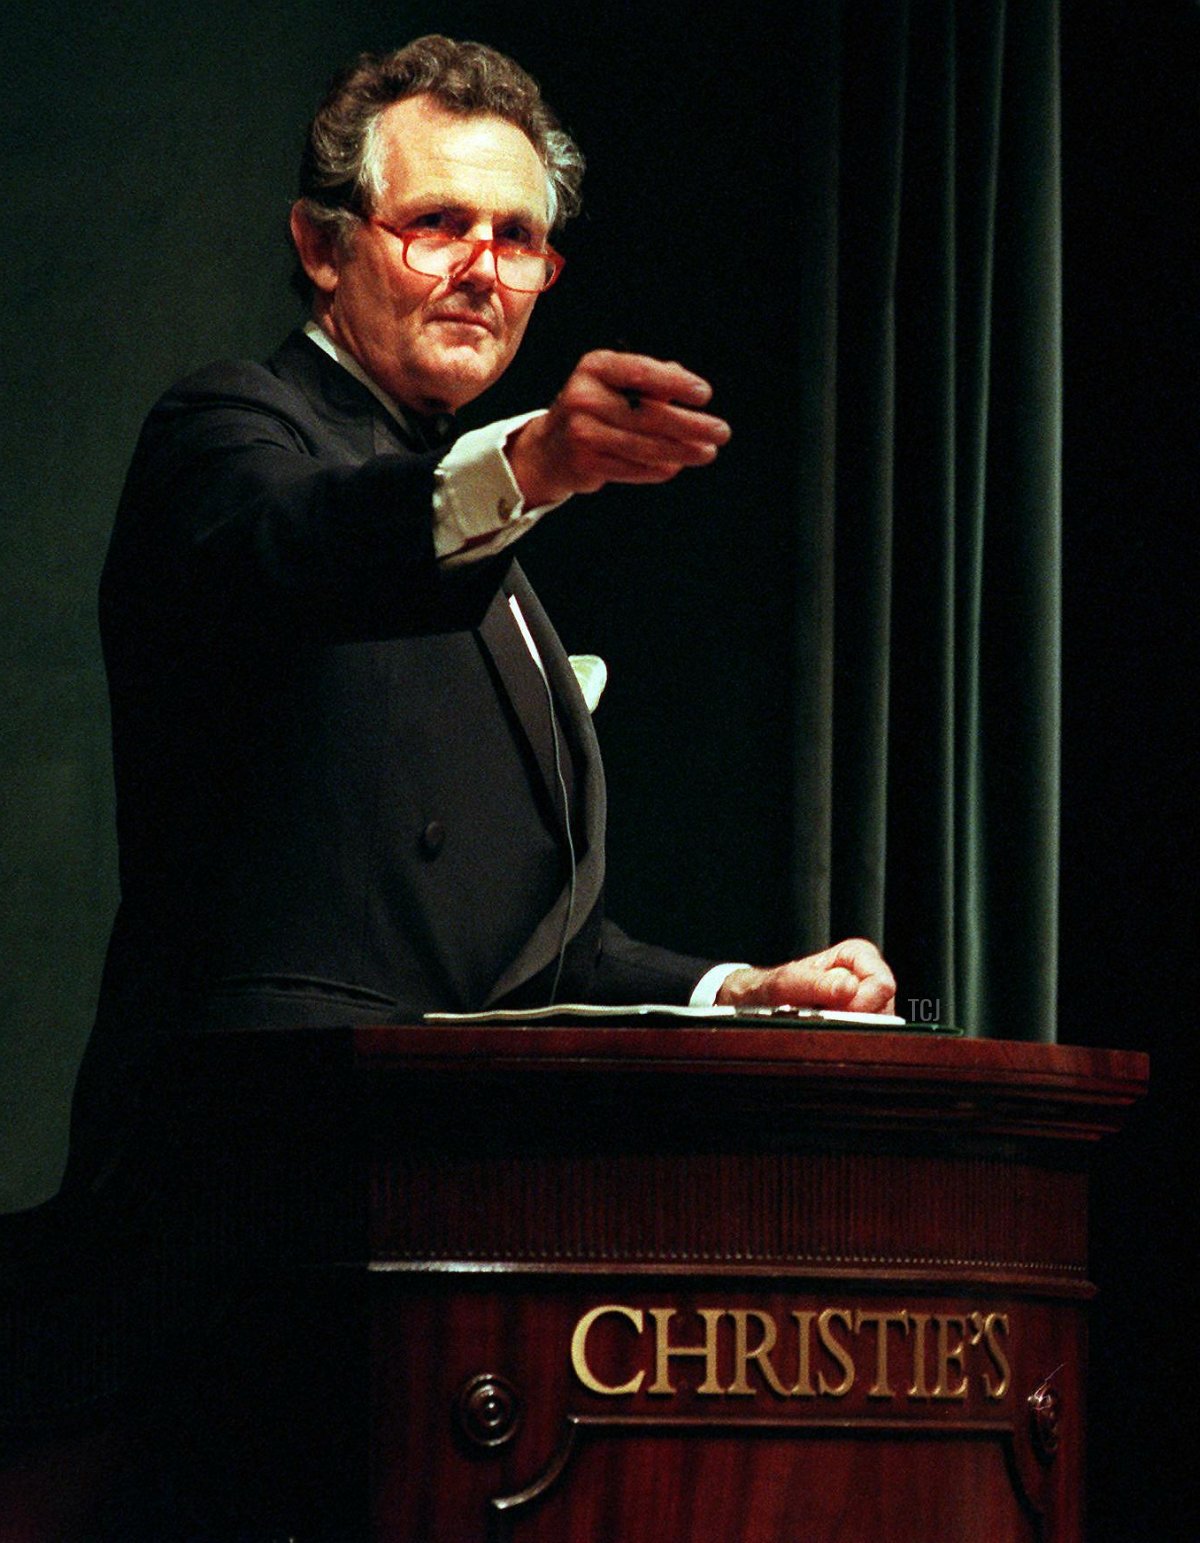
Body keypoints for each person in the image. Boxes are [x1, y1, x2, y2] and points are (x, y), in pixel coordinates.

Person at [75, 35, 893, 1176]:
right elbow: (301, 538)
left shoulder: (483, 541)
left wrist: (738, 991)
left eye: (518, 239)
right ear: (321, 245)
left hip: (445, 1165)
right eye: (439, 225)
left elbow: (520, 951)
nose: (485, 270)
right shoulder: (230, 430)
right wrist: (533, 464)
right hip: (251, 1156)